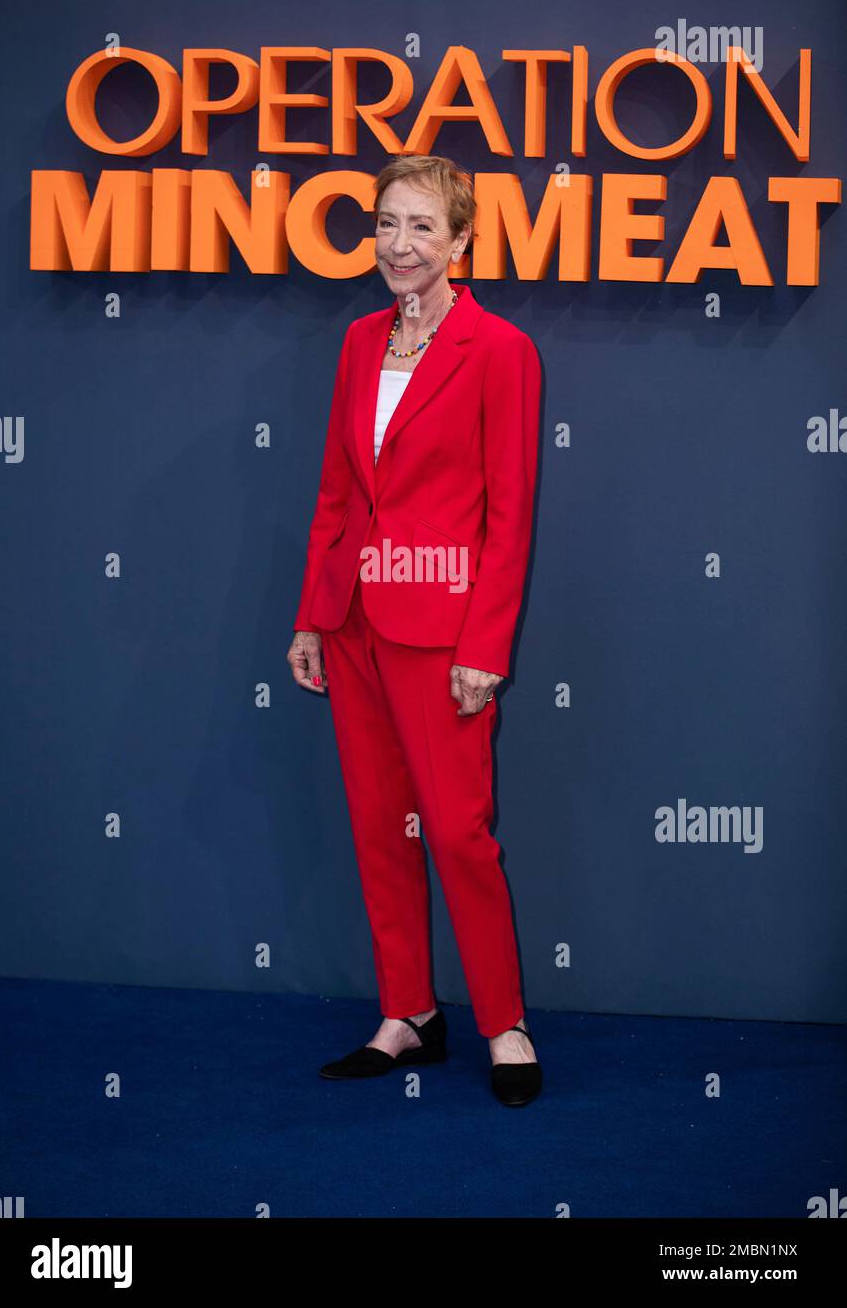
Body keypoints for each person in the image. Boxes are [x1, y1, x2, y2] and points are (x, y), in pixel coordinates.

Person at [286, 154, 542, 1106]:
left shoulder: (503, 350)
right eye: (386, 224)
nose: (398, 245)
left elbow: (509, 516)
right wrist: (315, 613)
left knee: (459, 833)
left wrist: (486, 647)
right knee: (378, 826)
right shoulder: (357, 342)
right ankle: (408, 1014)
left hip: (442, 632)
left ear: (461, 242)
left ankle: (504, 1024)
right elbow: (337, 490)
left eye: (421, 228)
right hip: (355, 620)